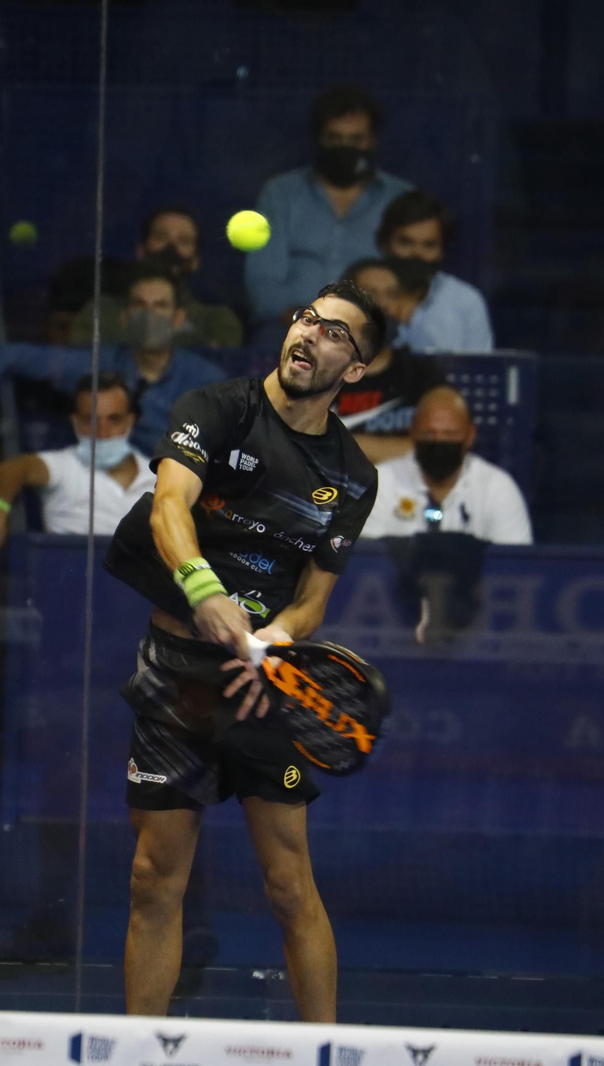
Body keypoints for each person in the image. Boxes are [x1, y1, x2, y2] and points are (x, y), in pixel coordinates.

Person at [103, 279, 385, 1022]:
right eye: (306, 319)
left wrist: (271, 642)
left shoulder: (352, 477)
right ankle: (140, 1050)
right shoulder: (218, 409)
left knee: (290, 887)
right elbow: (169, 508)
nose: (309, 336)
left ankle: (324, 1048)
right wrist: (203, 589)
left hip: (260, 687)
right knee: (153, 881)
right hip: (174, 679)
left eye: (333, 334)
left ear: (354, 369)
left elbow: (312, 600)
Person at [0, 262, 226, 469]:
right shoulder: (95, 363)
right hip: (99, 495)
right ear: (126, 317)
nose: (149, 315)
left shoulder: (206, 379)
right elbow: (3, 355)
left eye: (160, 306)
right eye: (140, 306)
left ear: (178, 319)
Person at [243, 85, 414, 327]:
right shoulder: (281, 193)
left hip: (373, 329)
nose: (345, 147)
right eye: (335, 138)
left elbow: (410, 283)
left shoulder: (400, 198)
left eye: (356, 139)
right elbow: (262, 282)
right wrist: (308, 322)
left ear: (373, 141)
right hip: (291, 327)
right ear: (318, 139)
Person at [0, 373, 157, 555]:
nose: (102, 431)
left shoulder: (158, 477)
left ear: (131, 421)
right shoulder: (63, 466)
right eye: (90, 420)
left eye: (114, 419)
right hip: (68, 577)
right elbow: (13, 469)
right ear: (75, 422)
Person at [360, 386, 531, 543]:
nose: (439, 442)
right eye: (429, 434)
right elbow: (368, 564)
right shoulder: (380, 484)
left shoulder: (497, 488)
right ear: (412, 433)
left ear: (470, 436)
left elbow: (514, 569)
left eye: (450, 435)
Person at [68, 206, 245, 349]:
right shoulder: (100, 313)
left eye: (183, 241)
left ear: (196, 260)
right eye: (160, 237)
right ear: (141, 251)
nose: (171, 249)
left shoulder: (216, 321)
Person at [334, 257, 449, 464]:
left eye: (392, 295)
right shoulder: (316, 372)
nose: (383, 305)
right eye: (370, 294)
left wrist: (347, 444)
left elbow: (440, 447)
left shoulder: (421, 372)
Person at [374, 190, 493, 352]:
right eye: (405, 242)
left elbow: (480, 372)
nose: (417, 254)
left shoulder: (466, 301)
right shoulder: (357, 293)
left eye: (429, 245)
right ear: (385, 242)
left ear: (443, 250)